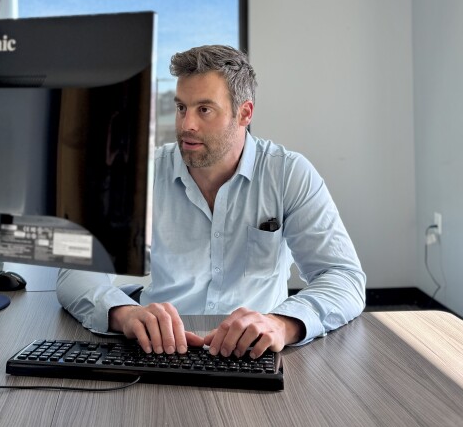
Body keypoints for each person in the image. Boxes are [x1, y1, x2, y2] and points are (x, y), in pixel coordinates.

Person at [57, 45, 365, 359]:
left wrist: (283, 324)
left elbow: (343, 277)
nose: (186, 124)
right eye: (181, 108)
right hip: (160, 352)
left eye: (204, 109)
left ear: (244, 113)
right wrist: (125, 314)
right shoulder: (142, 174)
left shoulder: (288, 174)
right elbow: (76, 272)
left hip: (255, 354)